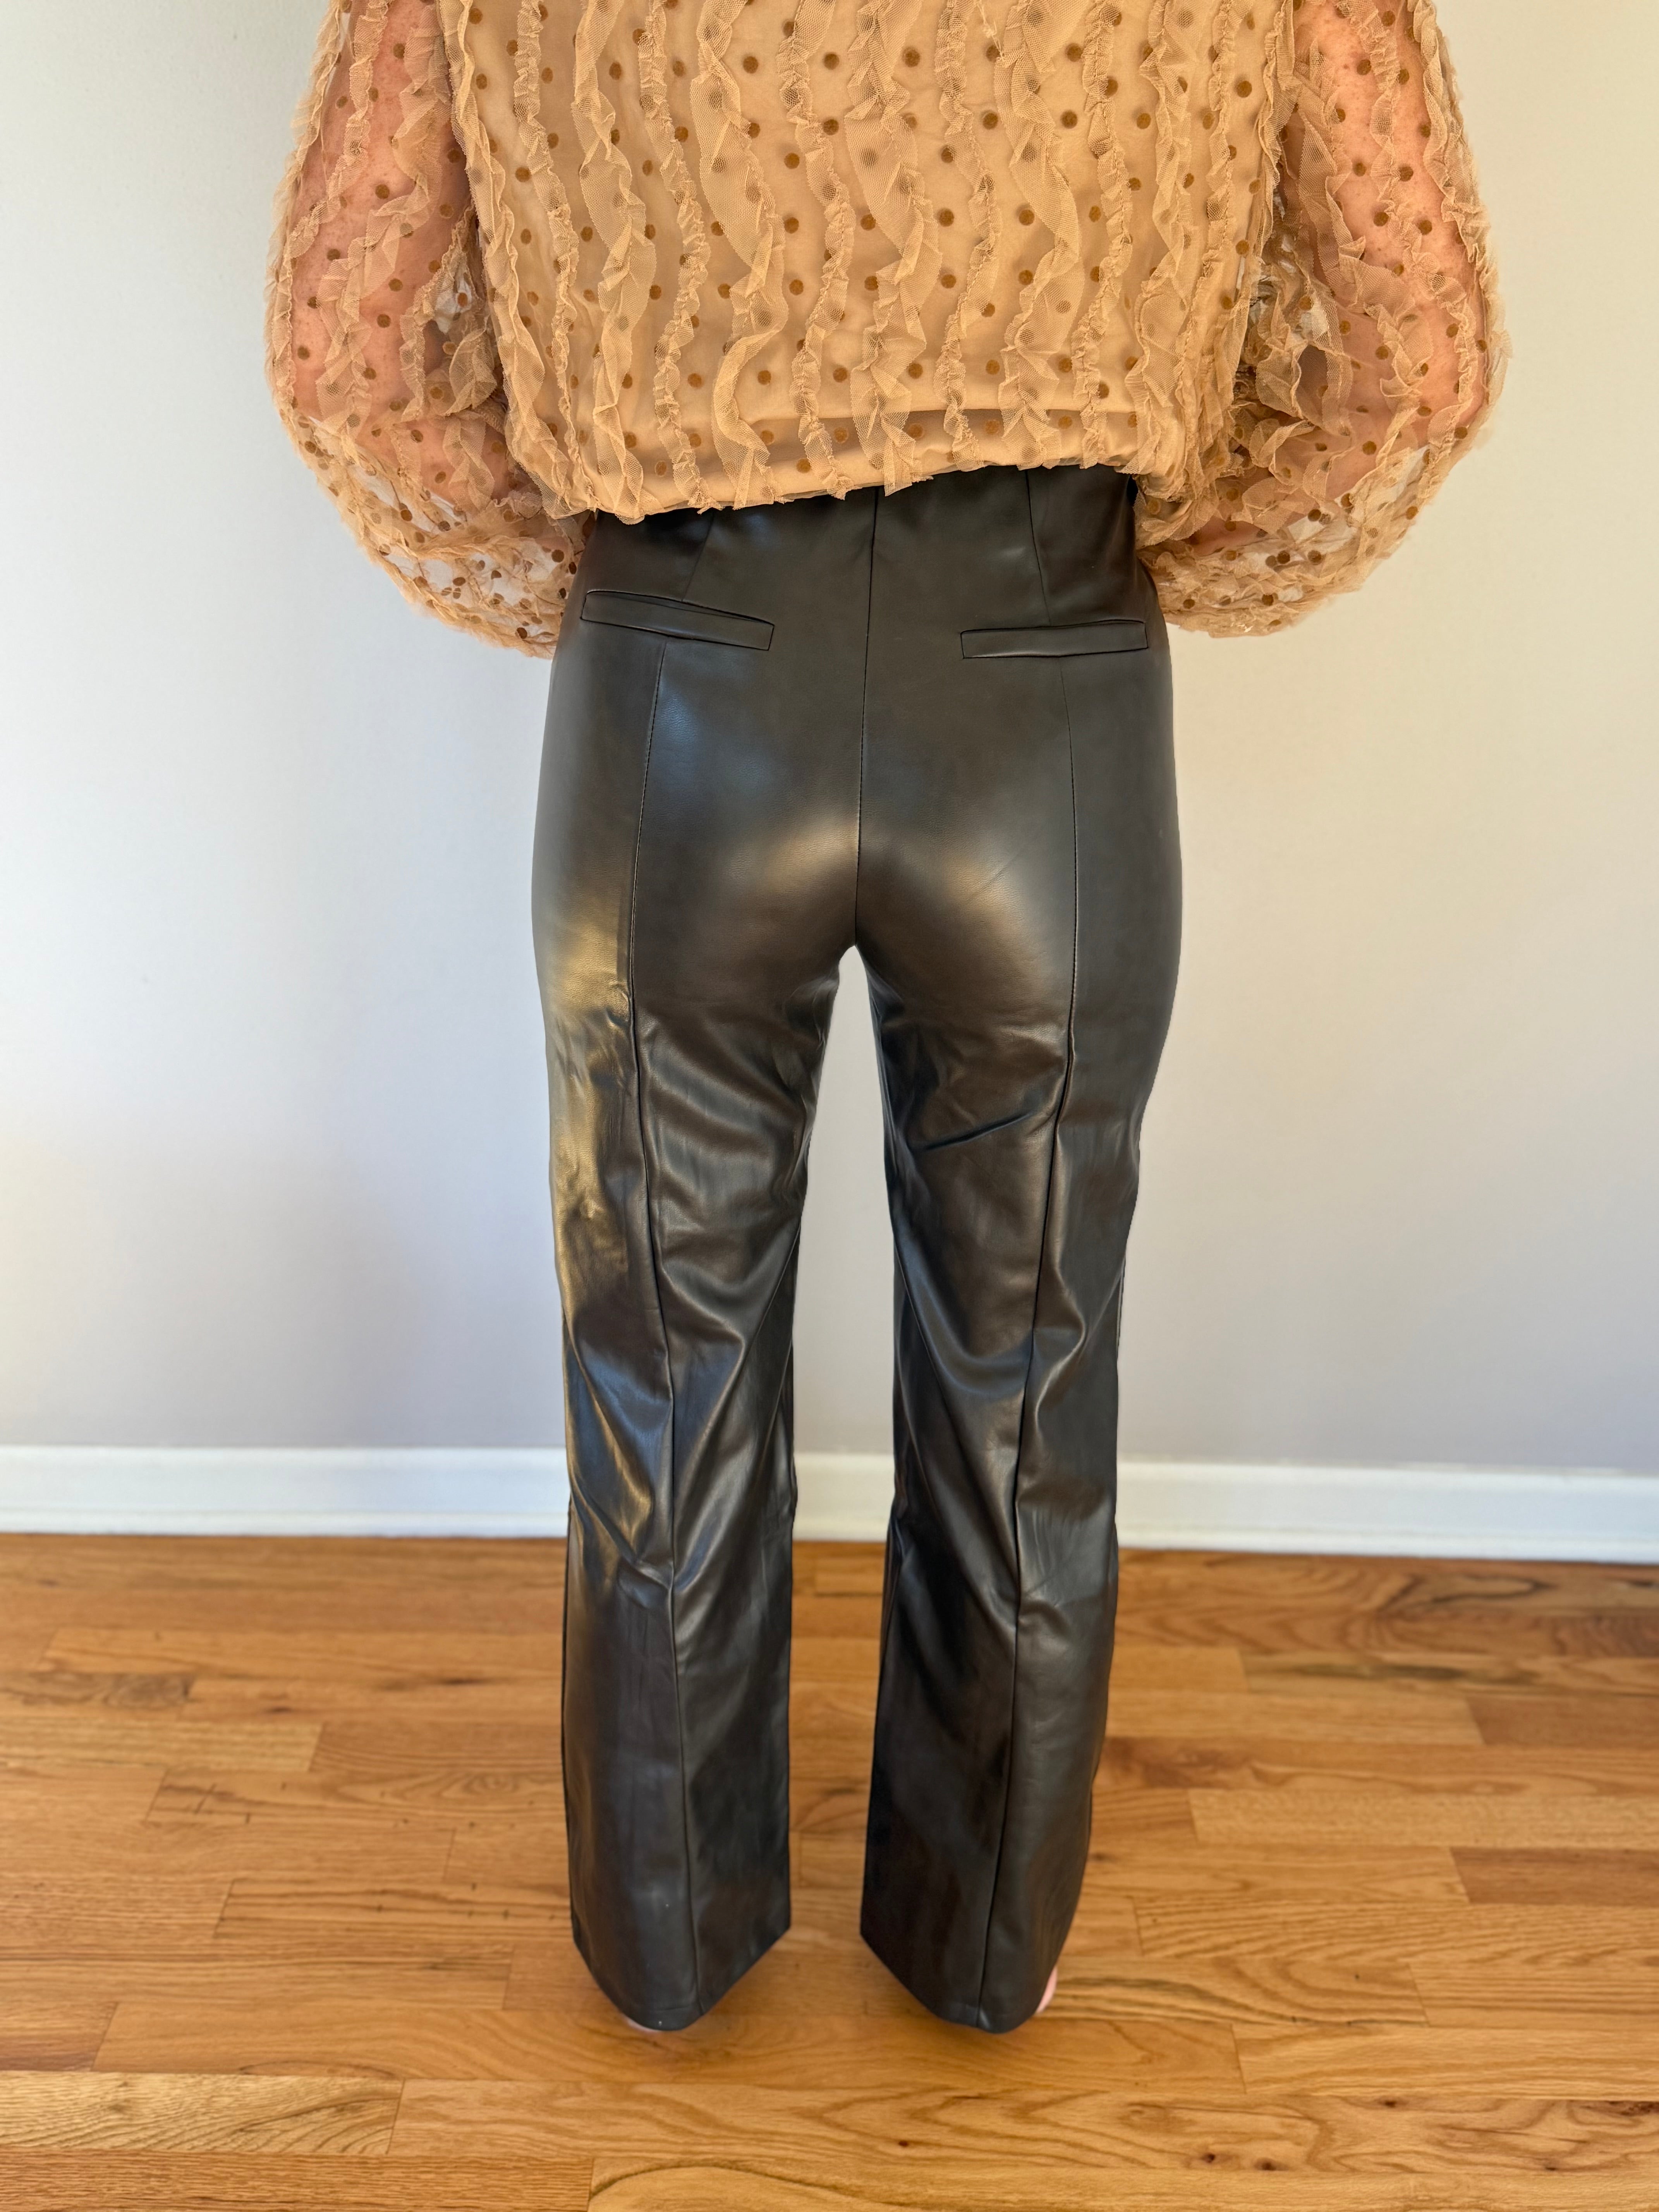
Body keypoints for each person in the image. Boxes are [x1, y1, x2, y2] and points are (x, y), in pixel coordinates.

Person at [268, 0, 1502, 2034]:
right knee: (1032, 1384)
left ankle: (665, 1952)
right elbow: (1414, 350)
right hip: (1044, 688)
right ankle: (982, 1955)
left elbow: (348, 338)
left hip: (682, 682)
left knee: (660, 1382)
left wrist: (621, 567)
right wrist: (1116, 563)